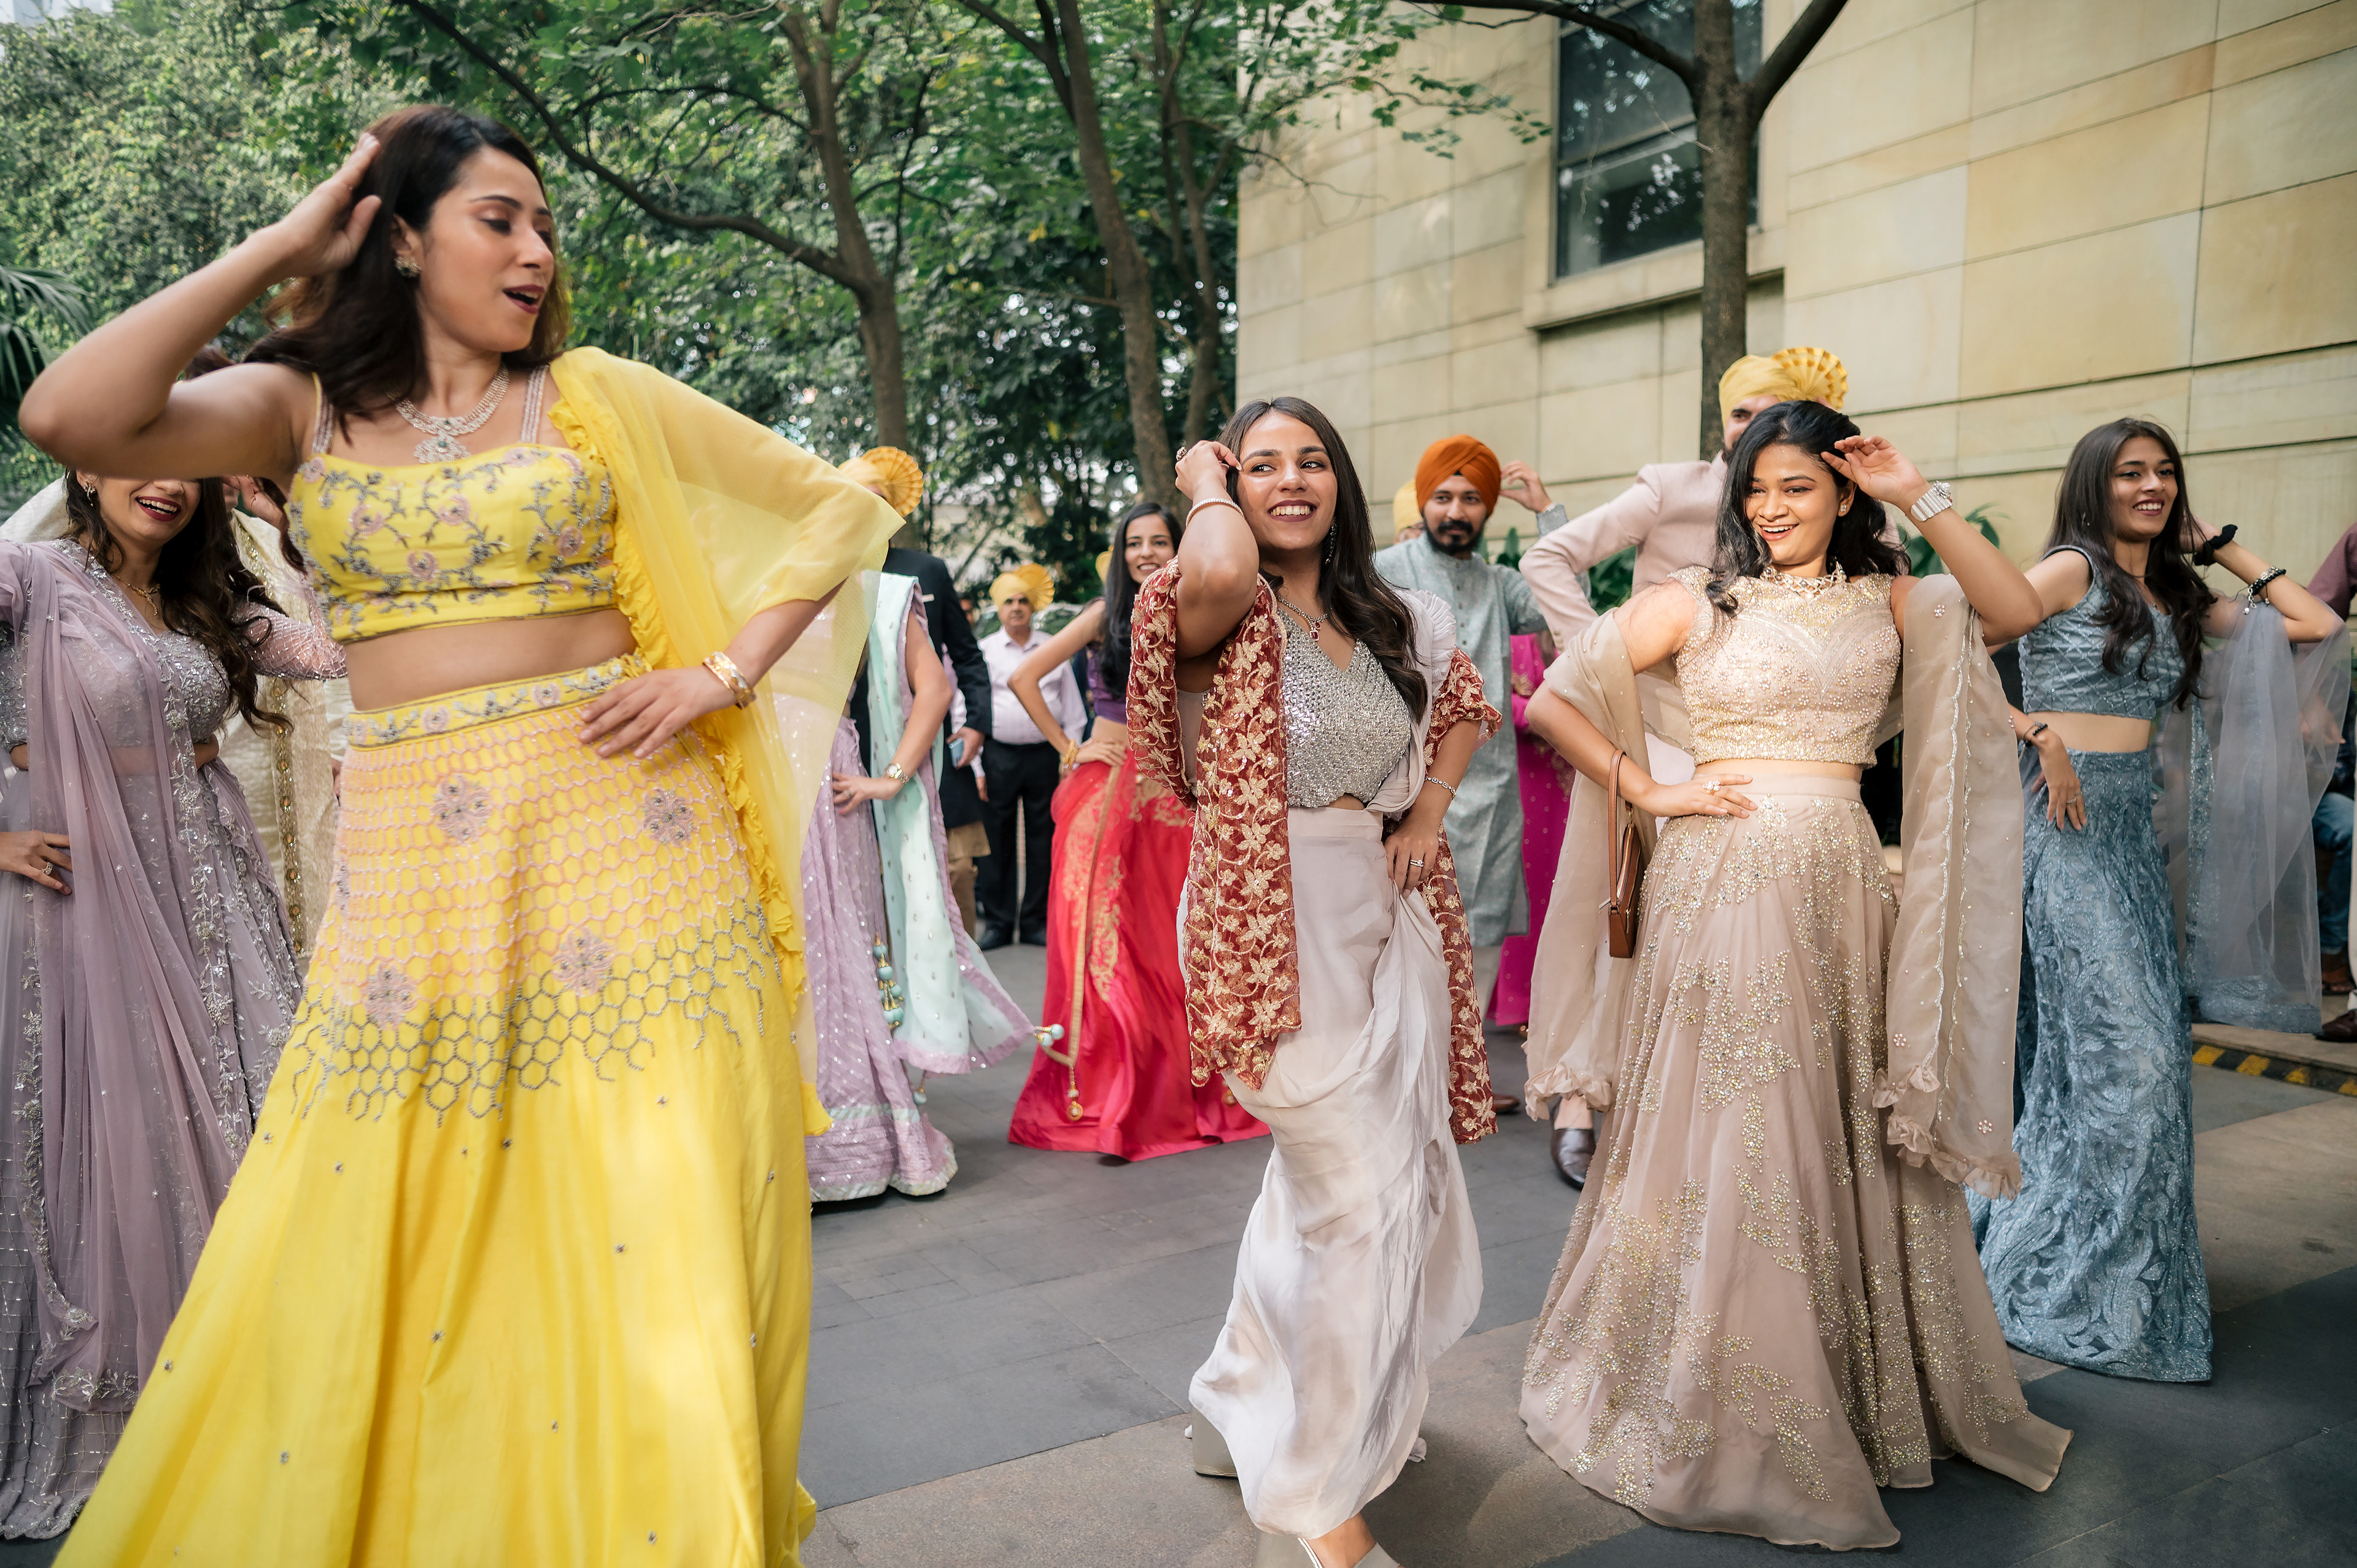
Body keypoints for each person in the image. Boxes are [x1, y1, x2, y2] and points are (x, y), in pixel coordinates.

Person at [18, 106, 899, 1564]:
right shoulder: (296, 410)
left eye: (546, 225)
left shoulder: (595, 395)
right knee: (390, 1214)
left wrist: (719, 672)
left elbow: (839, 507)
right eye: (501, 218)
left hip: (634, 838)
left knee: (652, 1213)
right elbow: (70, 415)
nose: (537, 250)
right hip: (420, 873)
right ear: (404, 239)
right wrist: (286, 244)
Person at [1518, 401, 2070, 1549]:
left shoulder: (1898, 599)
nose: (1770, 508)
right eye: (1756, 489)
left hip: (1839, 887)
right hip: (1718, 881)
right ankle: (1721, 1400)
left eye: (1797, 487)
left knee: (1829, 1117)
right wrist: (1652, 788)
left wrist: (1918, 491)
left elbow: (2014, 610)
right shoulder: (1698, 600)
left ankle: (1848, 1385)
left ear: (1845, 492)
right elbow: (1554, 698)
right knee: (1744, 1119)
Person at [1131, 396, 1498, 1568]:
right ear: (1232, 486)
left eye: (1312, 462)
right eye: (1262, 465)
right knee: (1357, 1199)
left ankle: (1235, 1398)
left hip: (1383, 922)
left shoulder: (1389, 615)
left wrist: (1427, 815)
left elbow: (1466, 709)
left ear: (1342, 480)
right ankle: (1320, 1494)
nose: (1291, 481)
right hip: (1264, 921)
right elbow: (1219, 558)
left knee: (1338, 1192)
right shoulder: (1214, 603)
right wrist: (1202, 483)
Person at [0, 458, 344, 1538]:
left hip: (213, 895)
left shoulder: (210, 601)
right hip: (83, 907)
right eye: (137, 457)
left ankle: (288, 1399)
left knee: (268, 1120)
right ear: (86, 463)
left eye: (185, 467)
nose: (166, 484)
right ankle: (150, 1417)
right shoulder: (26, 579)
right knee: (127, 1141)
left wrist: (304, 520)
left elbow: (339, 652)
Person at [1972, 420, 2345, 1383]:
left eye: (2165, 471)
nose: (2152, 484)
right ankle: (2074, 1276)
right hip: (2063, 835)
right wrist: (2037, 732)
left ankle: (2116, 1276)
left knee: (2128, 1065)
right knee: (2129, 1061)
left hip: (2134, 845)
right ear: (2093, 484)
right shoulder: (2070, 570)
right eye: (2131, 472)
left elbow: (2315, 624)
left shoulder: (2176, 592)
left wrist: (2219, 547)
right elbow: (1950, 650)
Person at [1516, 346, 1851, 1186]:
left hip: (1756, 739)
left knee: (1719, 940)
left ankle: (1684, 1105)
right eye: (1740, 412)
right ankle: (1581, 1097)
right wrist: (1603, 663)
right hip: (1654, 734)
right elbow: (1548, 557)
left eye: (1770, 411)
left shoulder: (1820, 506)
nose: (1751, 428)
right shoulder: (1672, 487)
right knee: (1617, 901)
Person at [1004, 502, 1265, 1159]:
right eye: (1134, 543)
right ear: (1120, 554)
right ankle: (1112, 1094)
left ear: (1182, 546)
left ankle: (1176, 1089)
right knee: (1103, 948)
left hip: (1176, 801)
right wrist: (1070, 746)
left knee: (1172, 948)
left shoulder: (1203, 610)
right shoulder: (1105, 615)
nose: (1146, 552)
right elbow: (1023, 675)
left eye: (1159, 541)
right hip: (1106, 797)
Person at [803, 566, 1030, 1201]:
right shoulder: (742, 575)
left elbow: (935, 686)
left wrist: (893, 776)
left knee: (839, 951)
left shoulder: (874, 589)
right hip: (756, 782)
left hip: (829, 785)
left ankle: (851, 1138)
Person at [1371, 436, 1550, 951]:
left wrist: (1546, 512)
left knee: (1480, 944)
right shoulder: (1385, 570)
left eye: (1471, 499)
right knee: (1404, 940)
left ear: (1487, 508)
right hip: (1405, 787)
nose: (1456, 512)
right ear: (1423, 502)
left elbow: (1564, 602)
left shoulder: (1501, 583)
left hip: (1490, 791)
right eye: (1443, 497)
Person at [838, 447, 996, 935]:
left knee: (954, 867)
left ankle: (959, 962)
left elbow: (966, 655)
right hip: (853, 741)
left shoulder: (926, 570)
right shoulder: (828, 571)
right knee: (870, 869)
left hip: (929, 737)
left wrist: (977, 723)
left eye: (878, 499)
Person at [977, 562, 1081, 948]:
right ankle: (999, 923)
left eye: (1023, 601)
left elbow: (1073, 710)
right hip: (997, 755)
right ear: (999, 608)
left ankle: (1035, 922)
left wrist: (1069, 758)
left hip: (1044, 756)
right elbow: (967, 708)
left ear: (1033, 607)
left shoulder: (1053, 647)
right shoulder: (985, 651)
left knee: (1042, 838)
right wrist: (975, 765)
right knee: (996, 840)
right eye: (1009, 601)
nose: (1017, 607)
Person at [1482, 633, 1573, 1037]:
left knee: (1563, 887)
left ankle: (1559, 1002)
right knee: (1529, 889)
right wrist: (1549, 715)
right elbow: (1494, 700)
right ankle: (1521, 1002)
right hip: (1525, 783)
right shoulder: (1515, 642)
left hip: (1568, 783)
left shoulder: (1577, 635)